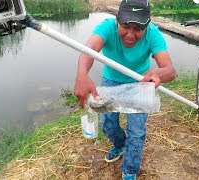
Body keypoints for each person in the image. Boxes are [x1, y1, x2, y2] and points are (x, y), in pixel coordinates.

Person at [74, 0, 176, 179]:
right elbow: (89, 49)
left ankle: (129, 170)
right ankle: (120, 145)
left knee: (136, 132)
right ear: (116, 20)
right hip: (111, 80)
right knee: (108, 125)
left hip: (141, 83)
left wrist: (158, 73)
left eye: (138, 29)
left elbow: (170, 70)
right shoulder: (106, 28)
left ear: (148, 24)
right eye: (125, 26)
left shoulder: (153, 34)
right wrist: (82, 73)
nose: (130, 34)